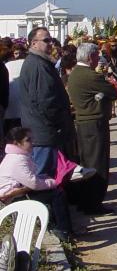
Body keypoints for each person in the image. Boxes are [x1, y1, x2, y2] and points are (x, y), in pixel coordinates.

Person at [66, 43, 117, 215]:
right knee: (97, 163)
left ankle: (86, 200)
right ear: (90, 57)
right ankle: (93, 203)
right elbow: (113, 91)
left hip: (83, 123)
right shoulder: (90, 75)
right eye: (96, 56)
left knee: (86, 162)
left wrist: (100, 95)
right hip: (94, 123)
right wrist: (102, 94)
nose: (98, 59)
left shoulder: (75, 73)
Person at [0, 127, 76, 241]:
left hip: (19, 193)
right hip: (12, 198)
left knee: (54, 193)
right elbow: (34, 183)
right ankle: (64, 231)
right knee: (57, 194)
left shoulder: (19, 156)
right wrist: (53, 182)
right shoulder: (17, 159)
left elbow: (30, 179)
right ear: (17, 143)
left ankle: (60, 228)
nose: (32, 142)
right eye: (28, 140)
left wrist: (46, 179)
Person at [18, 27, 76, 177]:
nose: (51, 43)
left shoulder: (41, 63)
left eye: (51, 40)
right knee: (43, 177)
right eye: (46, 40)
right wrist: (58, 123)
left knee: (48, 176)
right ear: (33, 43)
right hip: (43, 133)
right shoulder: (38, 65)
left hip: (43, 131)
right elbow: (45, 101)